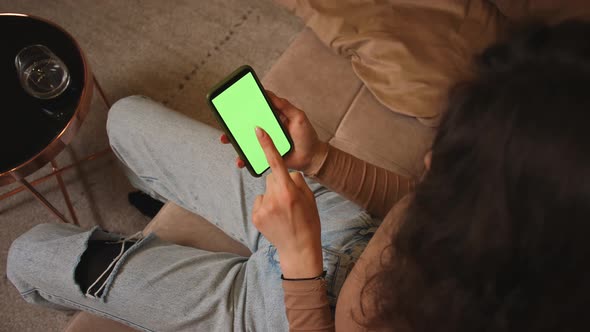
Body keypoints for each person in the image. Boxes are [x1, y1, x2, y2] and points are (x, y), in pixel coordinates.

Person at [7, 20, 590, 331]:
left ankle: (133, 268)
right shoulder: (500, 195)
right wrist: (321, 161)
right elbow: (416, 200)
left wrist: (299, 260)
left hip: (293, 308)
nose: (431, 163)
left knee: (27, 254)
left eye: (458, 167)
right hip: (341, 234)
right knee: (126, 119)